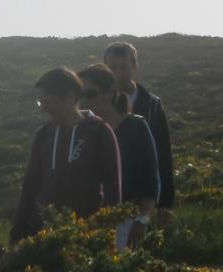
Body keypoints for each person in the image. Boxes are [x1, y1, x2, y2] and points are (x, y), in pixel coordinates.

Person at [10, 67, 121, 243]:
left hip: (86, 235)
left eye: (48, 102)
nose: (43, 110)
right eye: (40, 103)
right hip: (42, 235)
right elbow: (29, 187)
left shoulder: (99, 132)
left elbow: (113, 189)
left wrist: (105, 233)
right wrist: (17, 233)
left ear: (70, 97)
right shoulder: (43, 135)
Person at [79, 63, 159, 250]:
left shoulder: (136, 126)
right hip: (92, 219)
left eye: (90, 94)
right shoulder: (87, 130)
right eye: (80, 95)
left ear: (109, 92)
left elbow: (151, 178)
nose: (84, 101)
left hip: (127, 218)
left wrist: (143, 218)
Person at [103, 41, 174, 224]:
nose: (118, 73)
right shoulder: (98, 104)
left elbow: (163, 153)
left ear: (135, 67)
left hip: (143, 196)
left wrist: (165, 203)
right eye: (112, 68)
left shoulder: (152, 104)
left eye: (124, 67)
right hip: (107, 197)